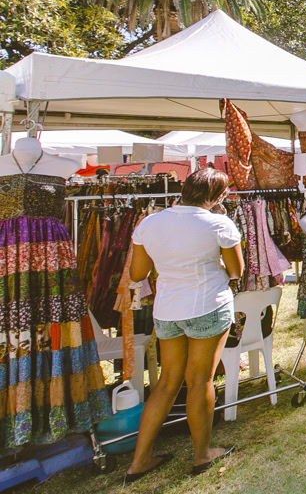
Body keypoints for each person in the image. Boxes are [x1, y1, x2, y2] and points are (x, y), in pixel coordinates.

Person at [125, 168, 243, 482]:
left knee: (166, 383)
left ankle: (139, 461)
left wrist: (170, 267)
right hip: (207, 305)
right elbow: (236, 271)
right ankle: (202, 455)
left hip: (168, 310)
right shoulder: (219, 223)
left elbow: (137, 274)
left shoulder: (150, 223)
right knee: (199, 380)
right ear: (219, 196)